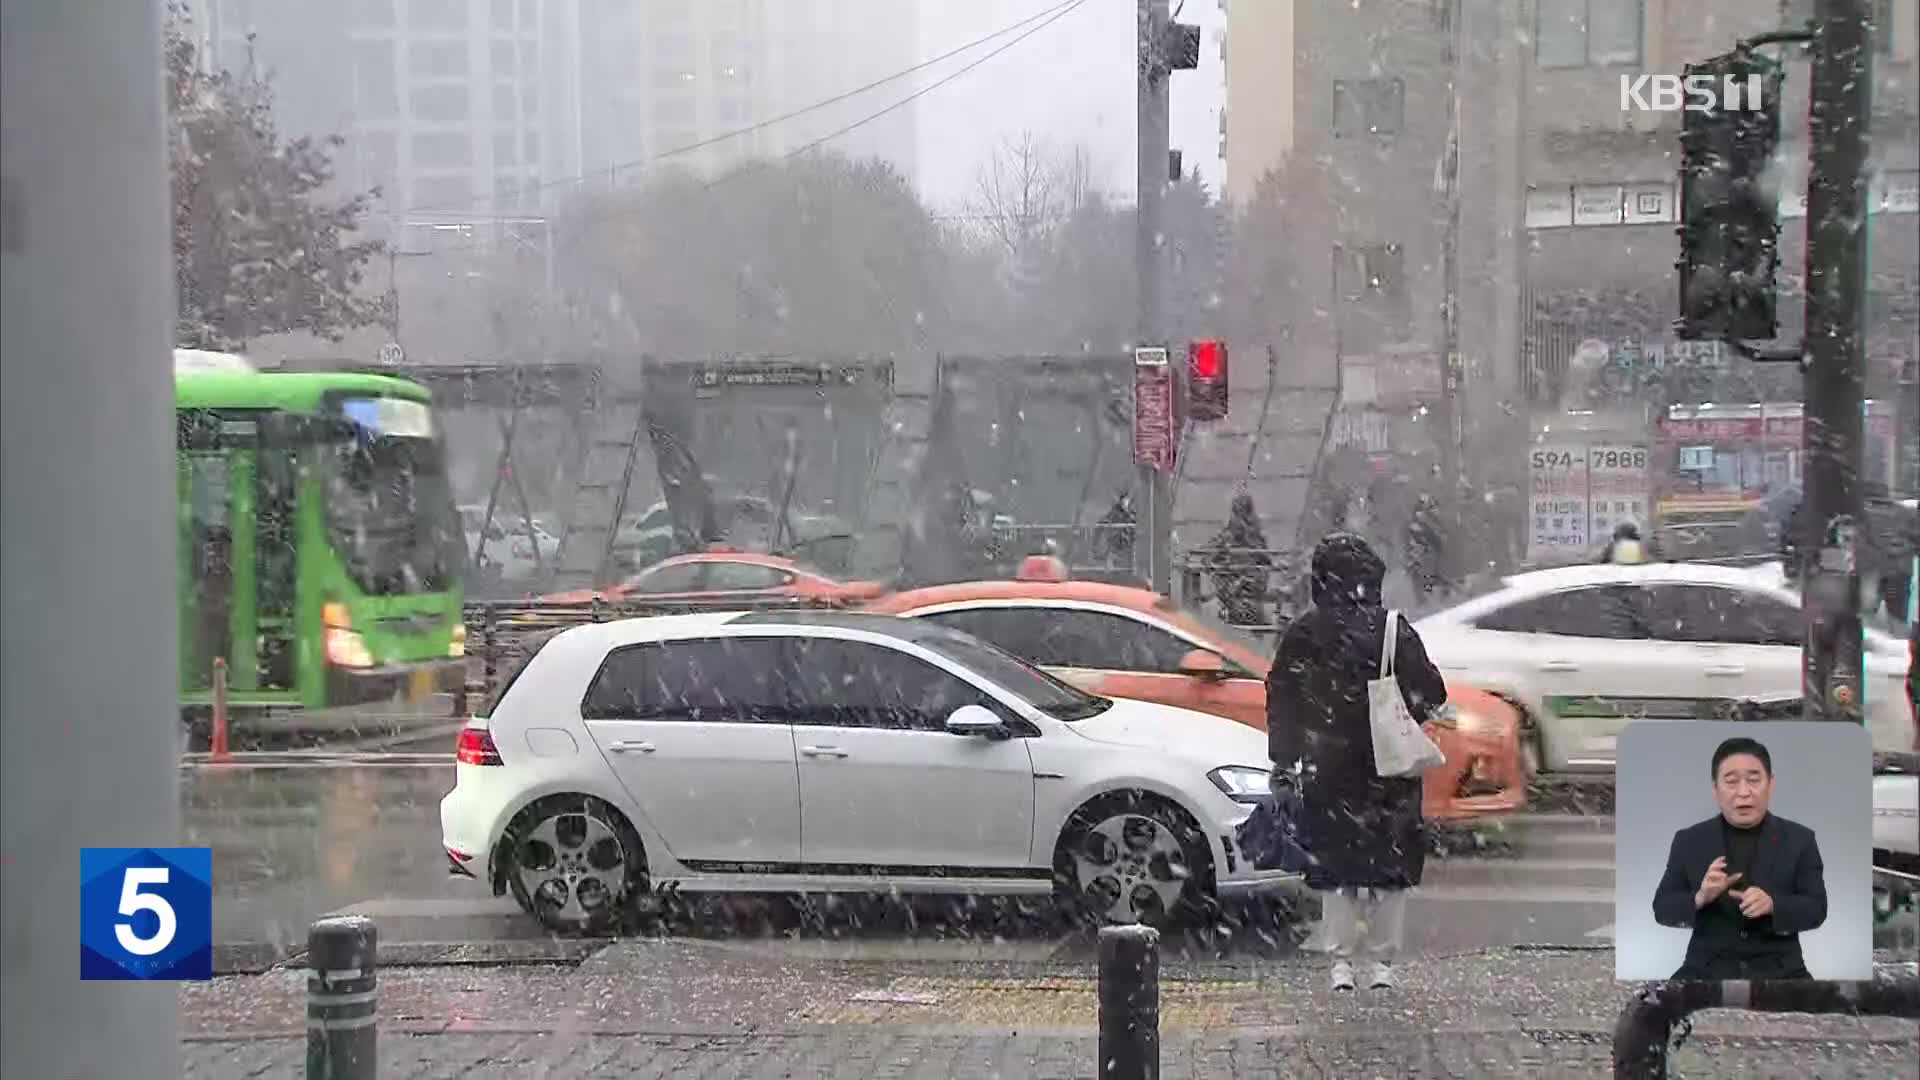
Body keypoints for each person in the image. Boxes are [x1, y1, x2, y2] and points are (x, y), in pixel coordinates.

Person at [1266, 533, 1449, 992]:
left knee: (1336, 867)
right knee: (1389, 869)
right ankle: (1384, 965)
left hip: (1328, 764)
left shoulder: (1305, 632)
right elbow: (1432, 692)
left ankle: (1341, 965)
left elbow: (1281, 695)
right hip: (1389, 769)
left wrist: (1285, 757)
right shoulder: (1392, 628)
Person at [1652, 736, 1827, 980]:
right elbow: (1662, 908)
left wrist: (1773, 905)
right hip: (1705, 971)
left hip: (1781, 972)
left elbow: (1817, 908)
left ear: (1771, 784)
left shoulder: (1800, 839)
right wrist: (1701, 897)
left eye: (1754, 780)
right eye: (1731, 782)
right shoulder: (1689, 840)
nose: (1744, 792)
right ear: (1715, 789)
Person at [1207, 494, 1273, 626]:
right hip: (1232, 593)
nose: (1239, 519)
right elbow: (1208, 560)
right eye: (1236, 514)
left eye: (1240, 513)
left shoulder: (1256, 539)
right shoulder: (1226, 537)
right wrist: (1223, 578)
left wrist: (1250, 581)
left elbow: (1265, 565)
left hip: (1248, 594)